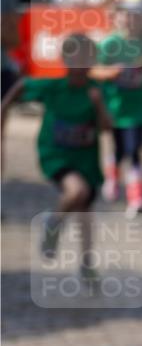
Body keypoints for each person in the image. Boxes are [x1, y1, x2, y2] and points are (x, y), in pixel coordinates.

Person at [1, 33, 110, 281]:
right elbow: (22, 85)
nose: (81, 65)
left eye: (86, 58)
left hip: (86, 159)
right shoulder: (53, 86)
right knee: (77, 192)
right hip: (56, 154)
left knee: (85, 210)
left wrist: (99, 106)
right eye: (75, 58)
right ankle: (53, 224)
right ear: (65, 59)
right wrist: (4, 106)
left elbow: (106, 128)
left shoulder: (96, 91)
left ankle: (86, 263)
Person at [96, 2, 142, 217]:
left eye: (135, 16)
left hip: (138, 109)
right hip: (114, 107)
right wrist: (110, 73)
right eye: (125, 16)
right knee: (119, 149)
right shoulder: (109, 44)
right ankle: (111, 176)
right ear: (116, 18)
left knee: (134, 150)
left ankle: (137, 199)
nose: (130, 21)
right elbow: (93, 71)